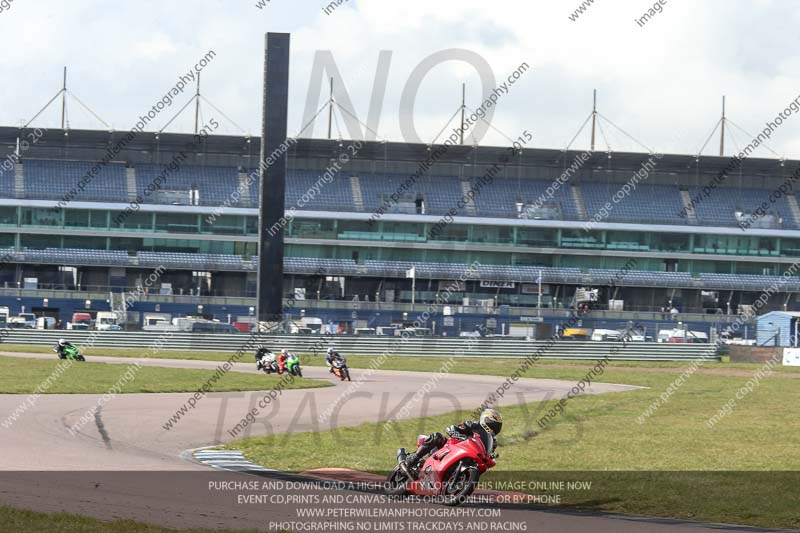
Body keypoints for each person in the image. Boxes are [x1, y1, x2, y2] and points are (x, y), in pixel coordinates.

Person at [401, 409, 503, 476]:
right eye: (492, 424)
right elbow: (451, 428)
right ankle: (412, 459)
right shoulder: (473, 425)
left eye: (497, 426)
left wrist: (490, 458)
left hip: (469, 457)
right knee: (437, 437)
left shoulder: (492, 442)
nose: (493, 428)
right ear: (484, 420)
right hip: (452, 446)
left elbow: (488, 454)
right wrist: (460, 436)